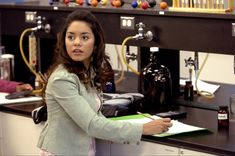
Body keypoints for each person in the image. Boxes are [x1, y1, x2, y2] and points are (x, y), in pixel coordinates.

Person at [37, 10, 172, 156]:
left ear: (95, 43)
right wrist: (143, 129)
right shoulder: (62, 79)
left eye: (84, 37)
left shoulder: (86, 72)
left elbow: (95, 116)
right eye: (71, 37)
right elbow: (92, 124)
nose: (76, 42)